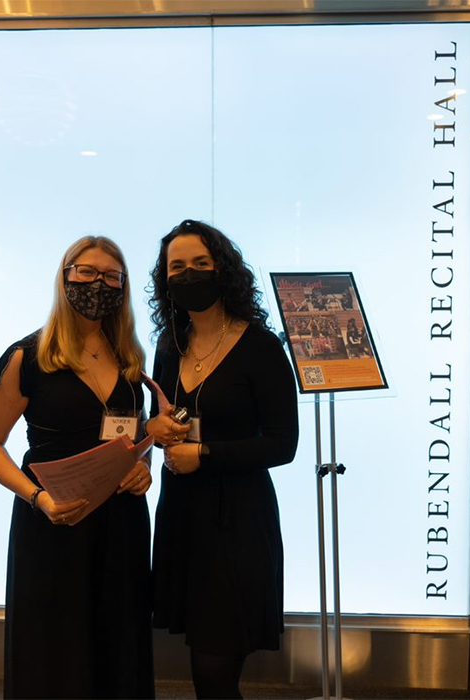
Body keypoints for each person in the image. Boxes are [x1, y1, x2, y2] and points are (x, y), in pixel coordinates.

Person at [0, 236, 155, 699]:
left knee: (120, 639)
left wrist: (143, 466)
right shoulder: (27, 357)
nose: (100, 284)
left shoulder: (131, 359)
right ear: (65, 276)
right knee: (54, 647)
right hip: (55, 518)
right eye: (88, 273)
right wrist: (36, 497)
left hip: (121, 522)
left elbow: (133, 437)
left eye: (113, 277)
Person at [145, 219, 299, 699]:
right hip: (183, 516)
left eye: (200, 264)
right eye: (177, 267)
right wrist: (159, 432)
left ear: (224, 270)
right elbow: (161, 419)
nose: (188, 274)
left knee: (216, 671)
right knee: (201, 663)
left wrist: (205, 455)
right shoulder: (169, 345)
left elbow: (283, 444)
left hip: (237, 522)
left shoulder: (262, 347)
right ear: (164, 279)